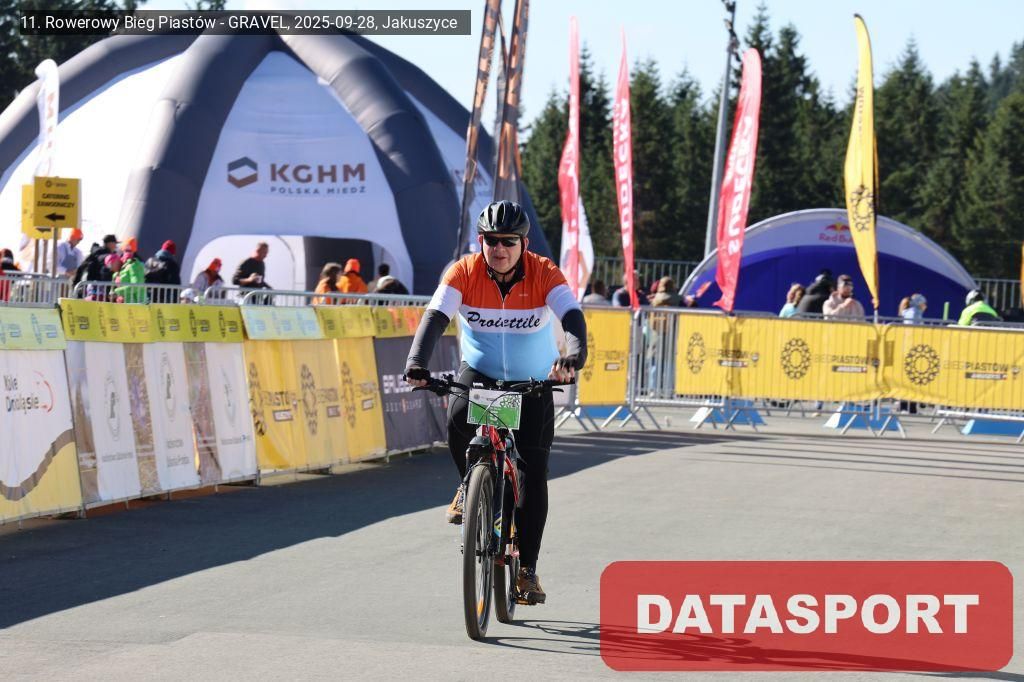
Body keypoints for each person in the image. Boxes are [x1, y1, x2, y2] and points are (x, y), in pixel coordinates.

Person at [404, 200, 587, 606]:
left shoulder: (544, 272)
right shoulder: (464, 271)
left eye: (508, 241)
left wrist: (574, 357)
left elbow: (572, 317)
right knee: (457, 419)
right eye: (491, 241)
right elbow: (435, 317)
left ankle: (527, 570)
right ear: (480, 241)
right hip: (483, 374)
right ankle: (468, 485)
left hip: (532, 382)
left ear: (524, 244)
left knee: (533, 475)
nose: (499, 249)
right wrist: (417, 362)